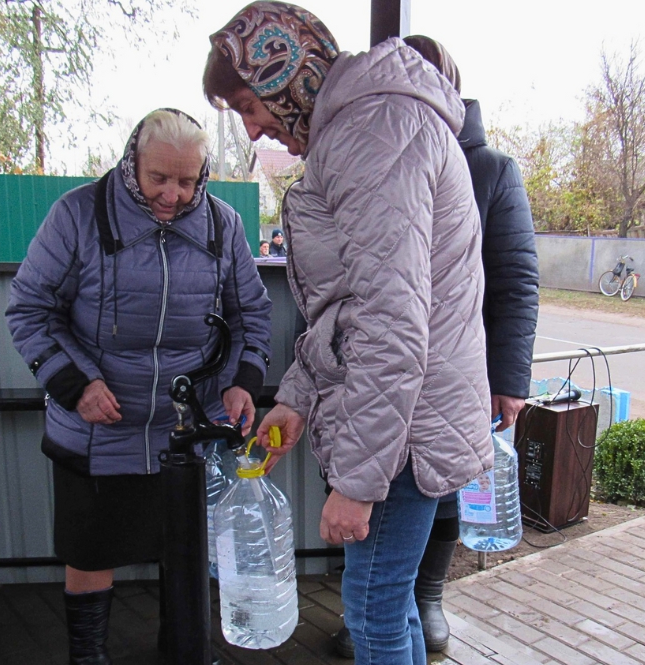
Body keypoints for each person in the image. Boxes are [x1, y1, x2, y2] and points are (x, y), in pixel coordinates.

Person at [204, 4, 492, 664]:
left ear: (286, 70)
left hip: (405, 433)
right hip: (413, 420)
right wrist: (296, 398)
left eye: (250, 106)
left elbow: (392, 325)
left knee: (371, 604)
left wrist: (360, 481)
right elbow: (350, 309)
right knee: (389, 602)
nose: (253, 130)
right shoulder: (364, 128)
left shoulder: (374, 132)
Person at [6, 108, 272, 664]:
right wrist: (75, 385)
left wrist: (242, 382)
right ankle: (89, 655)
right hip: (95, 429)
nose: (174, 195)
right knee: (90, 548)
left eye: (188, 180)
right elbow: (29, 310)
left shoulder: (223, 225)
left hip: (184, 432)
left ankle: (181, 650)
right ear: (133, 162)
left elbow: (250, 315)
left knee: (185, 551)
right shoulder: (77, 215)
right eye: (159, 178)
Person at [332, 35, 541, 657]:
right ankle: (410, 604)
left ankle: (430, 595)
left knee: (433, 499)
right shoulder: (369, 148)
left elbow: (516, 279)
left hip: (449, 373)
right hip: (387, 386)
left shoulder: (489, 167)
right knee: (385, 581)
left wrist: (509, 380)